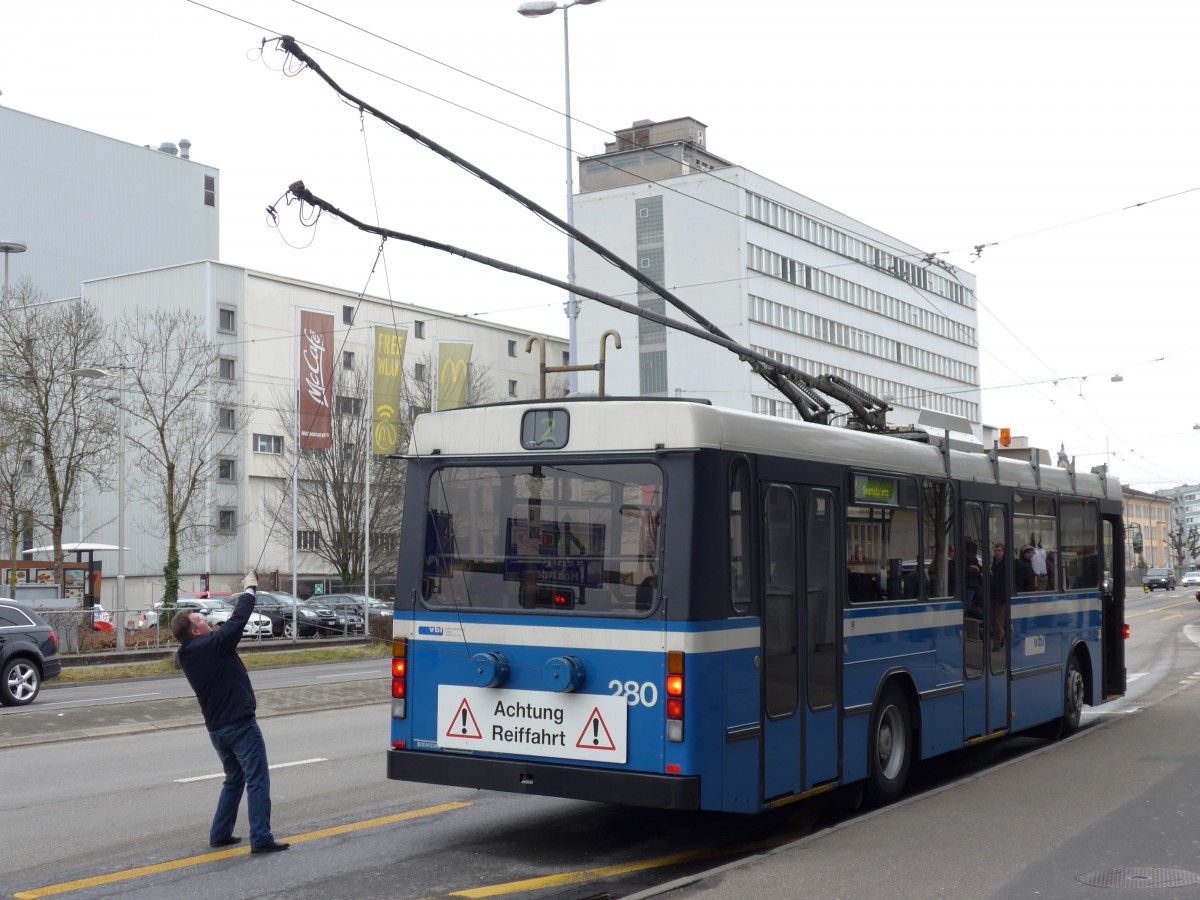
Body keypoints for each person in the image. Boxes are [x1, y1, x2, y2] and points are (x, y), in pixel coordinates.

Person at [171, 571, 290, 854]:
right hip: (239, 725)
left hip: (217, 729)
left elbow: (229, 628)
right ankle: (260, 837)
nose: (204, 619)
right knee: (257, 779)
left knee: (234, 778)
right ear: (195, 631)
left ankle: (220, 832)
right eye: (199, 619)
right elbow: (237, 623)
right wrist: (250, 591)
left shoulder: (190, 652)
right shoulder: (210, 646)